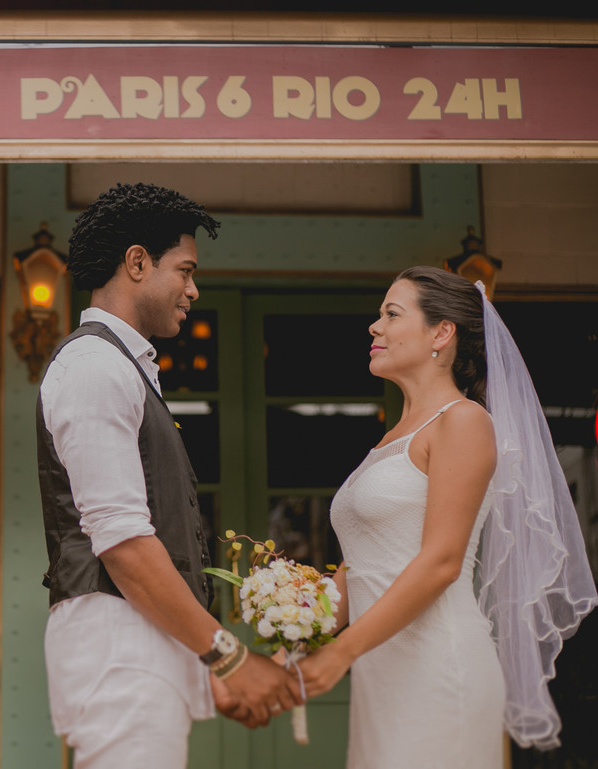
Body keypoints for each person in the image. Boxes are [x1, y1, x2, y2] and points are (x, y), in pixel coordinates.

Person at [37, 182, 303, 769]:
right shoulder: (94, 367)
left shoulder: (122, 366)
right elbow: (124, 545)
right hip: (117, 649)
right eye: (184, 270)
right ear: (137, 262)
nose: (193, 289)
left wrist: (204, 675)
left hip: (137, 648)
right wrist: (232, 657)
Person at [299, 266, 597, 767]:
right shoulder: (391, 439)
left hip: (438, 664)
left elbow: (441, 561)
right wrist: (296, 618)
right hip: (381, 671)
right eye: (378, 316)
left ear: (442, 332)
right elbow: (365, 561)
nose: (374, 327)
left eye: (391, 314)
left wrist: (342, 651)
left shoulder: (464, 422)